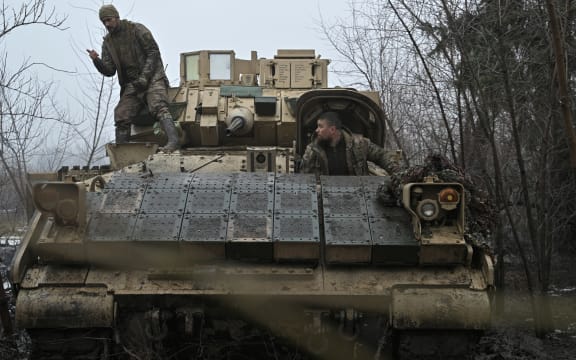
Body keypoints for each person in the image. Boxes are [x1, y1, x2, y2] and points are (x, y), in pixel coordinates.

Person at [87, 4, 179, 152]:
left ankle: (174, 141)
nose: (107, 24)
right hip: (132, 84)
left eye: (109, 19)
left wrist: (145, 77)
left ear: (116, 17)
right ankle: (123, 153)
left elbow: (153, 52)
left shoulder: (137, 30)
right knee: (121, 114)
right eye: (104, 22)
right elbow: (110, 71)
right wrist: (97, 61)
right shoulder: (108, 43)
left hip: (152, 77)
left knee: (158, 105)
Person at [300, 111, 398, 176]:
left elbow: (381, 155)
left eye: (320, 126)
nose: (317, 130)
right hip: (324, 197)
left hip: (357, 195)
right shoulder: (312, 150)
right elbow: (305, 177)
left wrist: (397, 172)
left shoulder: (359, 144)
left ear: (332, 129)